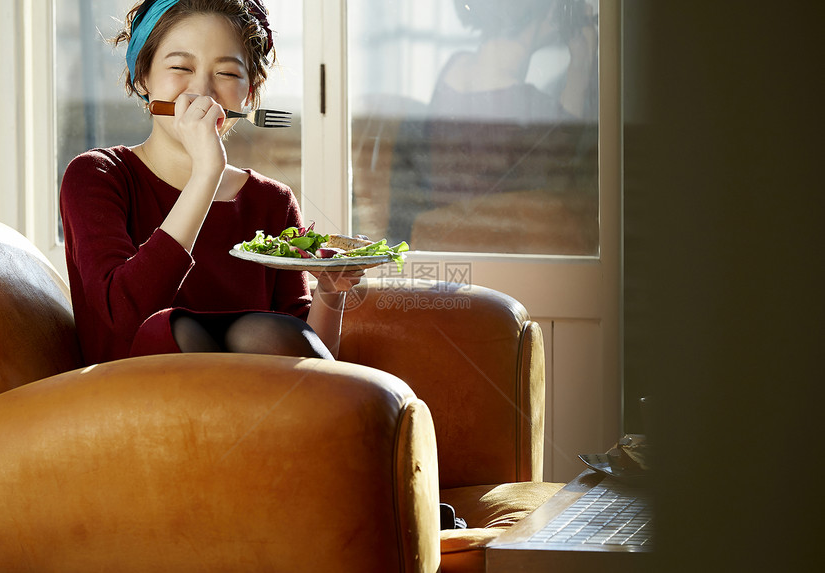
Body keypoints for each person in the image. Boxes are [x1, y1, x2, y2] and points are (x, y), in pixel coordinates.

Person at [60, 0, 361, 365]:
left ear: (249, 94)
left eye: (228, 74)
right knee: (171, 328)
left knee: (277, 334)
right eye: (180, 67)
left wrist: (331, 291)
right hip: (132, 402)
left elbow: (310, 365)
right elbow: (123, 318)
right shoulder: (97, 175)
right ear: (143, 78)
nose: (202, 91)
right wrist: (205, 174)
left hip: (259, 404)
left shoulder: (273, 202)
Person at [387, 0, 599, 255]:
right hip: (496, 246)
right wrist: (581, 62)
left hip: (440, 240)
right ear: (546, 12)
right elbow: (565, 166)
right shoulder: (526, 104)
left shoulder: (454, 66)